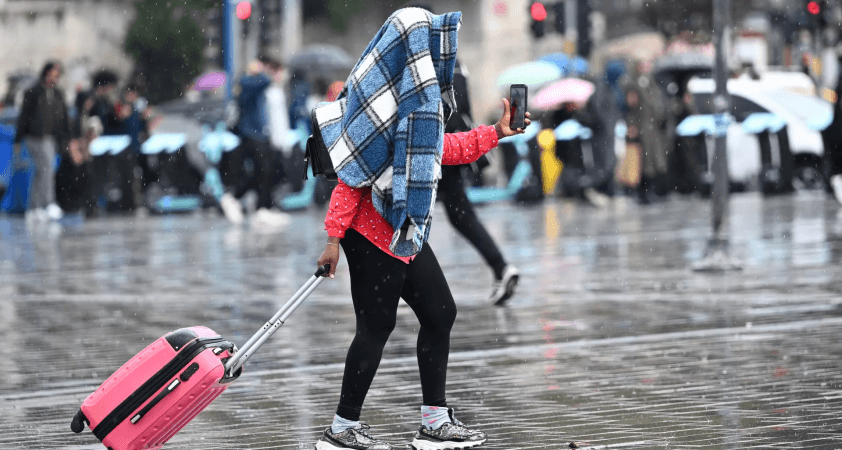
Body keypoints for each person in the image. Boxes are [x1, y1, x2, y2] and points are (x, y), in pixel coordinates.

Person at [313, 8, 530, 450]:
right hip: (371, 233)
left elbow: (443, 149)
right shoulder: (378, 100)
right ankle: (341, 431)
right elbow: (352, 176)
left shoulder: (418, 101)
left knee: (439, 312)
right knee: (376, 327)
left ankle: (433, 423)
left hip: (405, 230)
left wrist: (496, 132)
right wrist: (333, 240)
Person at [220, 58, 290, 227]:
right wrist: (261, 72)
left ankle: (261, 207)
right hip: (253, 135)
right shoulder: (248, 82)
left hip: (260, 134)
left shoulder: (254, 84)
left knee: (264, 172)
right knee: (264, 171)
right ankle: (241, 200)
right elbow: (265, 81)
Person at [14, 61, 71, 222]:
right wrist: (18, 139)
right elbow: (24, 117)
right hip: (35, 137)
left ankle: (35, 207)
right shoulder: (33, 92)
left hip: (51, 137)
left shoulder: (58, 94)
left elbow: (63, 116)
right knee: (46, 168)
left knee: (43, 171)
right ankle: (47, 203)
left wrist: (66, 136)